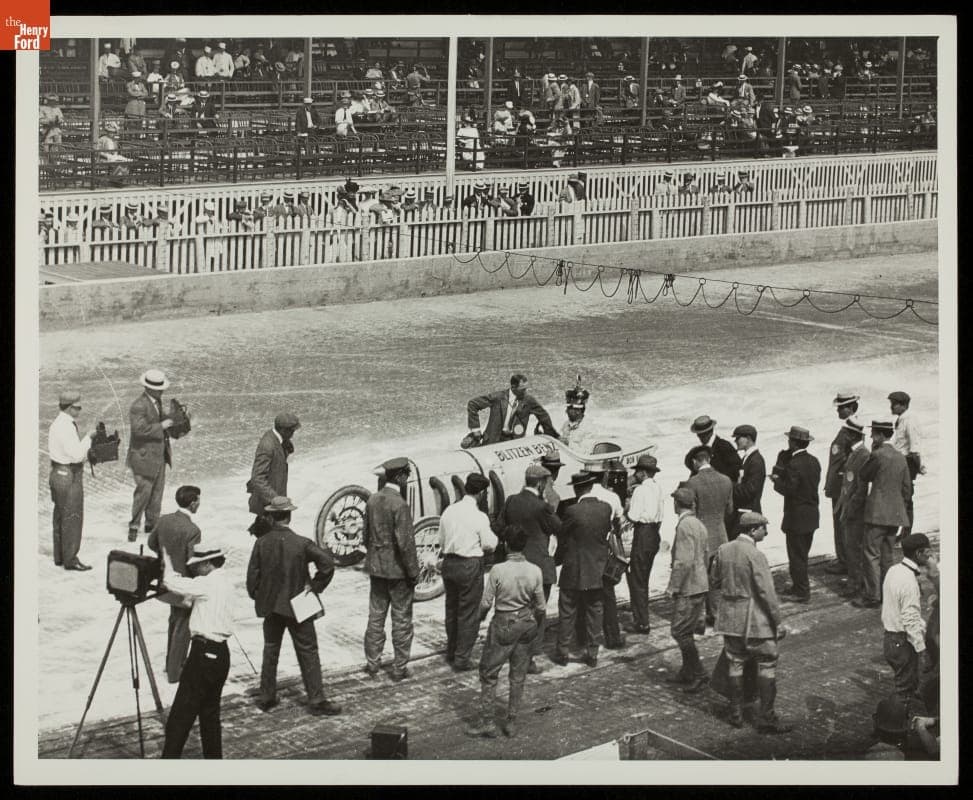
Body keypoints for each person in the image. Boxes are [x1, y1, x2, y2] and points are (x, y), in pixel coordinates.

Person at [246, 496, 341, 715]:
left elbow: (252, 577)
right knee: (308, 651)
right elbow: (327, 564)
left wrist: (259, 596)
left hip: (271, 606)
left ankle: (267, 696)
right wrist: (316, 586)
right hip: (299, 604)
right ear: (289, 515)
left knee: (270, 650)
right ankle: (316, 700)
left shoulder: (261, 543)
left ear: (271, 517)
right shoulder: (301, 543)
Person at [709, 511, 792, 733]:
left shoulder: (723, 549)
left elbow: (714, 581)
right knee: (767, 664)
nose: (766, 531)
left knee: (735, 662)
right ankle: (767, 717)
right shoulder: (756, 556)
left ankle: (735, 712)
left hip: (730, 620)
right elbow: (767, 593)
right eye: (764, 527)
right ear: (753, 530)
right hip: (756, 621)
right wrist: (778, 622)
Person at [466, 524, 546, 739]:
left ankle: (487, 722)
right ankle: (511, 722)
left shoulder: (498, 570)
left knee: (489, 673)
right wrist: (533, 623)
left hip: (503, 624)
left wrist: (479, 619)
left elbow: (485, 603)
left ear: (506, 544)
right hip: (526, 623)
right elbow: (541, 607)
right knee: (518, 676)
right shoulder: (535, 570)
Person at [159, 548, 233, 758]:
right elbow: (198, 601)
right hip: (221, 654)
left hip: (203, 654)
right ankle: (213, 763)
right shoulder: (225, 582)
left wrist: (167, 561)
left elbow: (174, 584)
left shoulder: (208, 583)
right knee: (210, 714)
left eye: (198, 566)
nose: (195, 570)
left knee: (180, 716)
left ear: (209, 564)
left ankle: (167, 765)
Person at [494, 464, 562, 674]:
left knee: (515, 610)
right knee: (536, 614)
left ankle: (511, 651)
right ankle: (528, 659)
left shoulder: (512, 500)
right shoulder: (541, 506)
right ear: (541, 483)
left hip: (514, 563)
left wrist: (513, 534)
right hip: (538, 566)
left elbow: (497, 526)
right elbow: (558, 527)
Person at [363, 457, 420, 681]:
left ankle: (373, 663)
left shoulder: (372, 500)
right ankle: (399, 667)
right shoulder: (400, 505)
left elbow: (366, 536)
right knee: (401, 619)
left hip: (376, 568)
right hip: (398, 572)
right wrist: (414, 572)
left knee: (375, 617)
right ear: (400, 477)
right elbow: (406, 544)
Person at [552, 472, 611, 667]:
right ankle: (592, 652)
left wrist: (557, 560)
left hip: (574, 568)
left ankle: (562, 652)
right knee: (595, 610)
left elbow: (562, 535)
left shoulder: (572, 511)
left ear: (577, 489)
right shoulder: (605, 509)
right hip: (597, 568)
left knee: (567, 610)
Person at [439, 473, 497, 671]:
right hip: (469, 564)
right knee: (468, 613)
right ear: (481, 493)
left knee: (452, 609)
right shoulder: (479, 516)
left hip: (449, 563)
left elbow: (441, 540)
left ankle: (451, 650)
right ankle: (462, 658)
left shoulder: (449, 511)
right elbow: (489, 544)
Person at [148, 485, 203, 683]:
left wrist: (166, 558)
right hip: (183, 586)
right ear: (193, 502)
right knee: (182, 627)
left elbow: (152, 543)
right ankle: (175, 671)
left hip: (166, 581)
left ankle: (170, 663)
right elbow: (193, 562)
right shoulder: (193, 530)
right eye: (198, 500)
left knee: (173, 622)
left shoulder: (164, 520)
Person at [855, 421, 912, 609]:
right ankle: (887, 593)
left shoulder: (877, 455)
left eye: (874, 435)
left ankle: (872, 596)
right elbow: (907, 489)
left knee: (871, 554)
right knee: (888, 555)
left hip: (877, 514)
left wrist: (872, 452)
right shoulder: (900, 457)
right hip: (895, 514)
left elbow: (863, 475)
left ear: (879, 435)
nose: (872, 438)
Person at [770, 426, 821, 604]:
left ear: (793, 442)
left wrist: (776, 480)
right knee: (803, 553)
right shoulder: (814, 461)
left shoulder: (793, 464)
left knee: (796, 556)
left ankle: (801, 591)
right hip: (811, 514)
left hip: (797, 517)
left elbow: (789, 490)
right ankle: (800, 587)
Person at [881, 533, 932, 712]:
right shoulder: (909, 581)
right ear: (918, 554)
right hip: (902, 641)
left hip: (890, 637)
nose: (930, 556)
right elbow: (909, 618)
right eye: (928, 552)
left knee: (905, 682)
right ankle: (896, 724)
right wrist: (921, 648)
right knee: (904, 689)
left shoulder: (894, 570)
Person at [666, 486, 710, 692]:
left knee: (679, 631)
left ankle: (699, 672)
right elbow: (705, 554)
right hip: (700, 582)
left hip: (688, 586)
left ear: (676, 504)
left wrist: (673, 586)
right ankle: (687, 670)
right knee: (686, 630)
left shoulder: (684, 526)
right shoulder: (699, 524)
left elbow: (682, 561)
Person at [47, 389, 96, 571]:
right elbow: (76, 455)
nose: (80, 410)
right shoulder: (66, 426)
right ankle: (71, 559)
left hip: (57, 472)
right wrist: (88, 439)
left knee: (60, 515)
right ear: (69, 408)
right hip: (69, 475)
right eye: (77, 407)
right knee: (73, 518)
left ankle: (59, 556)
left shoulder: (57, 423)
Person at [686, 444, 734, 626]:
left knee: (700, 577)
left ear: (695, 462)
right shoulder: (726, 480)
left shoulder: (693, 483)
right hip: (721, 534)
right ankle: (717, 613)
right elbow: (729, 510)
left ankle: (701, 616)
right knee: (718, 577)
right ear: (709, 459)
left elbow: (691, 513)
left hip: (702, 536)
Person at [127, 369, 176, 541]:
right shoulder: (139, 405)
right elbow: (139, 430)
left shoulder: (156, 401)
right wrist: (161, 426)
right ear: (150, 388)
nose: (162, 391)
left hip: (159, 456)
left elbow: (160, 418)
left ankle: (152, 525)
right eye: (160, 388)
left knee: (157, 493)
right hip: (143, 458)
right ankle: (134, 526)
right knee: (144, 493)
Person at [624, 455, 663, 635]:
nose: (636, 475)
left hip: (643, 533)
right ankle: (642, 616)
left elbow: (633, 515)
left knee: (637, 579)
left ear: (644, 472)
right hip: (655, 533)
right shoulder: (657, 488)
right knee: (644, 577)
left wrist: (626, 507)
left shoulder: (640, 491)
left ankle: (641, 622)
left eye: (638, 471)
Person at [825, 391, 861, 576]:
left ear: (851, 408)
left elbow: (853, 459)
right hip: (839, 484)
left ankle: (845, 561)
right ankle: (845, 559)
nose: (838, 410)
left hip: (842, 486)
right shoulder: (848, 428)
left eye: (841, 407)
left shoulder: (852, 429)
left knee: (842, 524)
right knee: (841, 523)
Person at [467, 373, 558, 446]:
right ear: (513, 387)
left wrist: (550, 435)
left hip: (514, 442)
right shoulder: (498, 397)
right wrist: (475, 429)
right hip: (492, 441)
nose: (525, 392)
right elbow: (473, 404)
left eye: (526, 389)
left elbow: (543, 415)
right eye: (522, 389)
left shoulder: (529, 400)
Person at [834, 417, 869, 600]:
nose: (844, 436)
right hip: (849, 507)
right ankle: (855, 580)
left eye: (847, 433)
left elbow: (860, 488)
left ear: (852, 435)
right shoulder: (856, 453)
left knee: (854, 548)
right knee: (851, 546)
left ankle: (856, 584)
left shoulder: (862, 455)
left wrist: (850, 509)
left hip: (855, 511)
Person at [247, 412, 299, 525]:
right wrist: (275, 499)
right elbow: (257, 478)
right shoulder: (267, 445)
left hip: (275, 502)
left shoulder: (279, 439)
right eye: (291, 431)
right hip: (267, 506)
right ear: (283, 430)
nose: (293, 434)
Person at [888, 391, 923, 536]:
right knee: (902, 498)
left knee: (906, 499)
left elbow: (914, 448)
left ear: (902, 405)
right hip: (902, 462)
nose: (891, 407)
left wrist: (919, 466)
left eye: (893, 404)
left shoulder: (910, 419)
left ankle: (906, 533)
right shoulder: (902, 418)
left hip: (907, 462)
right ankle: (903, 532)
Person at [731, 424, 765, 539]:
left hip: (748, 513)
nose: (735, 441)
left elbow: (750, 490)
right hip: (745, 512)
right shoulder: (748, 458)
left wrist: (730, 486)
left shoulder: (756, 460)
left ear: (748, 438)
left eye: (738, 437)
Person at [685, 415, 741, 483]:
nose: (700, 437)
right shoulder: (700, 451)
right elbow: (694, 473)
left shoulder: (724, 446)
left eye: (703, 434)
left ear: (711, 432)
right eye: (699, 435)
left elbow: (736, 469)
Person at [558, 378, 591, 450]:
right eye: (568, 407)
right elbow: (560, 439)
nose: (567, 410)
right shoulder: (566, 424)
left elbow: (587, 452)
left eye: (570, 408)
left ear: (579, 411)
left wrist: (568, 443)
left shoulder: (589, 428)